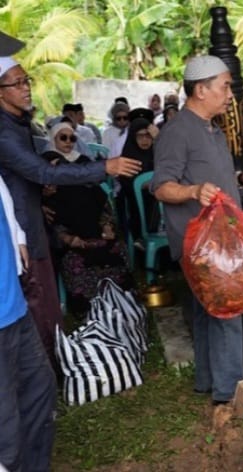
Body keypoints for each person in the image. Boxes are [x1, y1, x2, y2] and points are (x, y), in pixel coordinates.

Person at [0, 55, 141, 368]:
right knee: (37, 305)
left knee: (45, 304)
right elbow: (44, 173)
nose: (26, 89)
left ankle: (52, 368)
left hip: (33, 222)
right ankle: (46, 372)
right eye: (18, 83)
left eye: (27, 81)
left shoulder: (17, 124)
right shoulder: (5, 132)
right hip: (19, 234)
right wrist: (105, 167)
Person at [152, 55, 243, 405]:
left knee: (206, 313)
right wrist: (193, 191)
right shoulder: (178, 130)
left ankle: (209, 381)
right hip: (200, 242)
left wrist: (242, 181)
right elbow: (161, 187)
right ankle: (231, 393)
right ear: (201, 89)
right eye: (225, 86)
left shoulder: (211, 129)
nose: (230, 94)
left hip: (218, 237)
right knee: (228, 309)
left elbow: (215, 180)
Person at [0, 29, 57, 472]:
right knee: (7, 426)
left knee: (39, 394)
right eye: (17, 83)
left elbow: (9, 199)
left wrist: (19, 237)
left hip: (12, 305)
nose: (26, 89)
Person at [41, 122, 131, 313]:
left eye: (72, 138)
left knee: (116, 250)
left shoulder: (83, 163)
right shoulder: (46, 167)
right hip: (70, 237)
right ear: (53, 139)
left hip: (95, 230)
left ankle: (119, 306)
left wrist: (107, 225)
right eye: (62, 137)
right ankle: (89, 310)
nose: (68, 142)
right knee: (76, 261)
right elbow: (47, 214)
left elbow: (101, 199)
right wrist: (65, 237)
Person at [117, 118, 159, 241]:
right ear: (132, 138)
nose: (145, 140)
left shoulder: (157, 153)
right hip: (135, 203)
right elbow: (129, 184)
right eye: (140, 136)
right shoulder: (129, 157)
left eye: (148, 136)